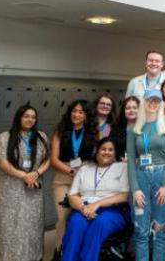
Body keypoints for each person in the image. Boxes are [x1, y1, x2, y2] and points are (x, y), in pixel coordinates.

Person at [0, 105, 50, 261]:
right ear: (19, 117)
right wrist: (23, 175)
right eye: (26, 116)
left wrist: (36, 173)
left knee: (31, 226)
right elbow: (1, 161)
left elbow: (48, 159)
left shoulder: (41, 137)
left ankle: (31, 257)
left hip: (33, 188)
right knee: (10, 226)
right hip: (10, 189)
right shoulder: (5, 137)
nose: (30, 120)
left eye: (33, 117)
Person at [127, 89, 165, 261]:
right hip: (141, 179)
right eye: (149, 100)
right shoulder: (134, 129)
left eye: (156, 100)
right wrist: (135, 189)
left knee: (160, 231)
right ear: (144, 102)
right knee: (141, 231)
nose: (153, 103)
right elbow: (131, 161)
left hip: (161, 177)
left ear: (161, 103)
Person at [61, 138, 129, 261]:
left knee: (100, 223)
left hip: (111, 211)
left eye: (110, 150)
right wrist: (84, 208)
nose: (106, 152)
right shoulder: (85, 169)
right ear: (97, 152)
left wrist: (97, 204)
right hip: (84, 208)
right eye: (103, 149)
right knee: (76, 224)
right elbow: (72, 196)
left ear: (115, 153)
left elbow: (125, 195)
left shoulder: (122, 167)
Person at [50, 100, 97, 255]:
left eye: (81, 112)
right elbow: (54, 159)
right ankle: (61, 251)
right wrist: (71, 172)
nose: (76, 114)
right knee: (63, 217)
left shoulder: (94, 132)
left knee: (80, 217)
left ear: (86, 115)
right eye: (74, 111)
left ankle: (78, 251)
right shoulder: (60, 131)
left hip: (86, 181)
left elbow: (99, 156)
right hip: (63, 178)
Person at [111, 96, 140, 161]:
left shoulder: (146, 127)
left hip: (141, 164)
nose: (131, 110)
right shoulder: (115, 126)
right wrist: (119, 158)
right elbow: (110, 144)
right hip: (120, 163)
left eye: (135, 108)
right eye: (128, 108)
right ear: (123, 111)